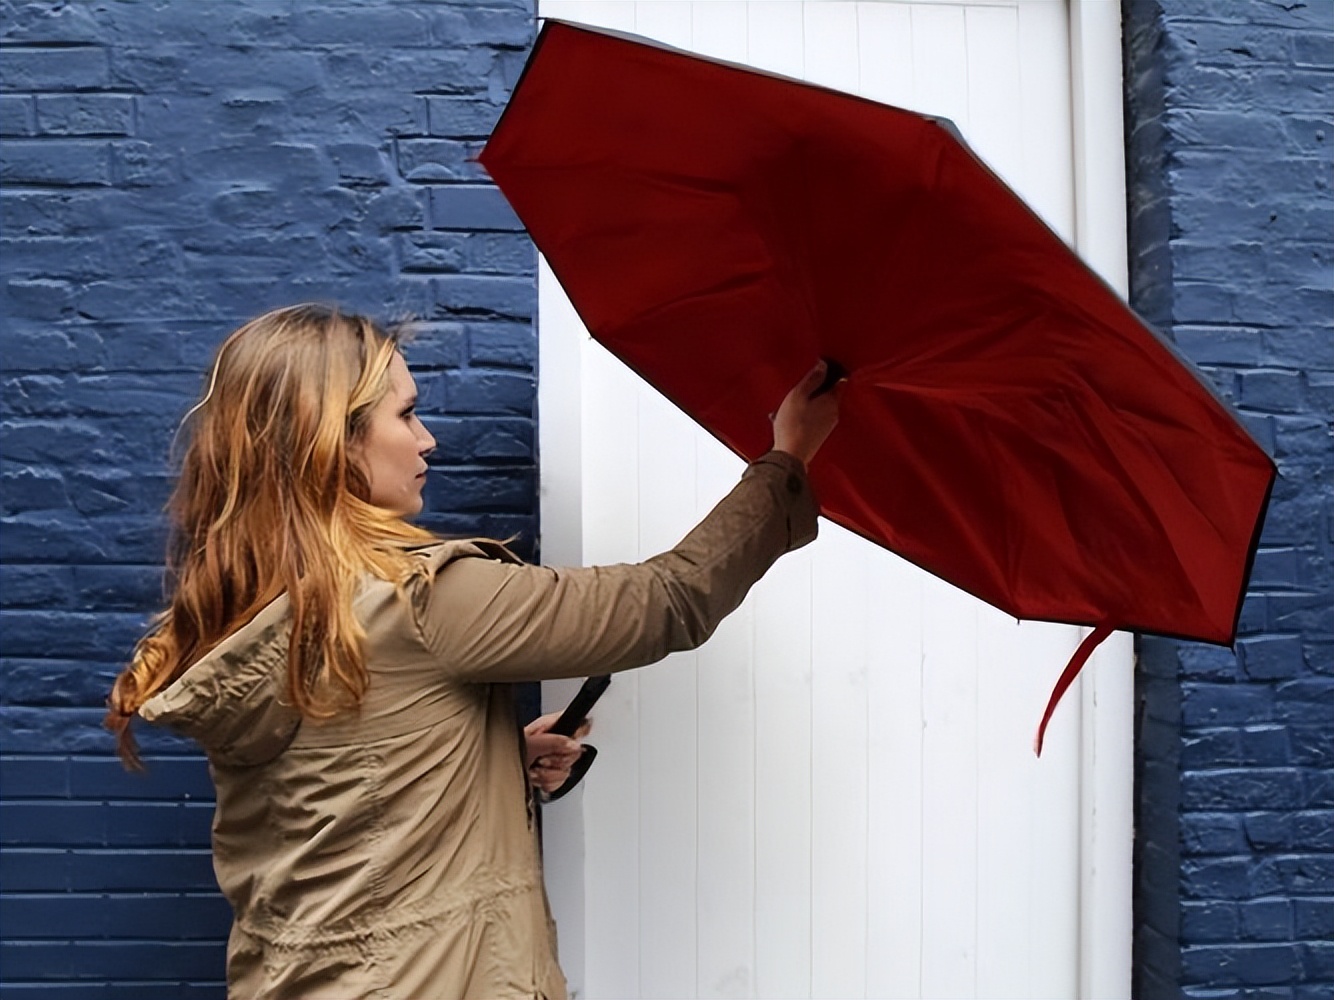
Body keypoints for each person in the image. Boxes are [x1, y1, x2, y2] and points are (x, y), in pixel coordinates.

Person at [105, 303, 839, 999]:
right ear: (336, 438)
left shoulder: (254, 605)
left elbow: (333, 785)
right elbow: (667, 602)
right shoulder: (418, 602)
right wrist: (786, 457)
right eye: (406, 414)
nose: (426, 440)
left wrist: (482, 762)